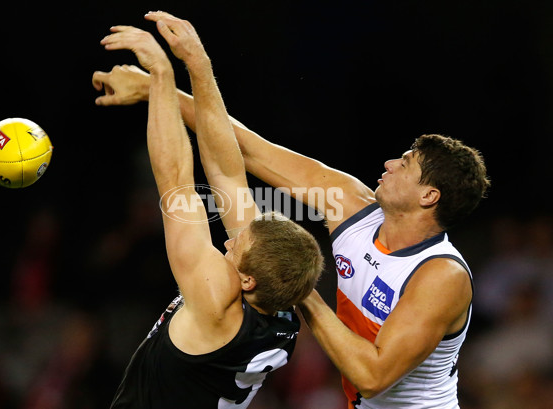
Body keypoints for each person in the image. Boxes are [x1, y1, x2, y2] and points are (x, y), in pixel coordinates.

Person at [93, 12, 490, 409]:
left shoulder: (441, 276)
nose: (388, 165)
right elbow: (238, 154)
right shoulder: (348, 204)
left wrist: (163, 76)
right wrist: (161, 87)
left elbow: (373, 376)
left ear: (429, 197)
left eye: (405, 164)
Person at [95, 13, 324, 409]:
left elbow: (175, 184)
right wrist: (198, 63)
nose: (229, 239)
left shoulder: (215, 298)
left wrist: (162, 75)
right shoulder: (281, 304)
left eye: (236, 246)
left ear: (247, 282)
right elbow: (227, 173)